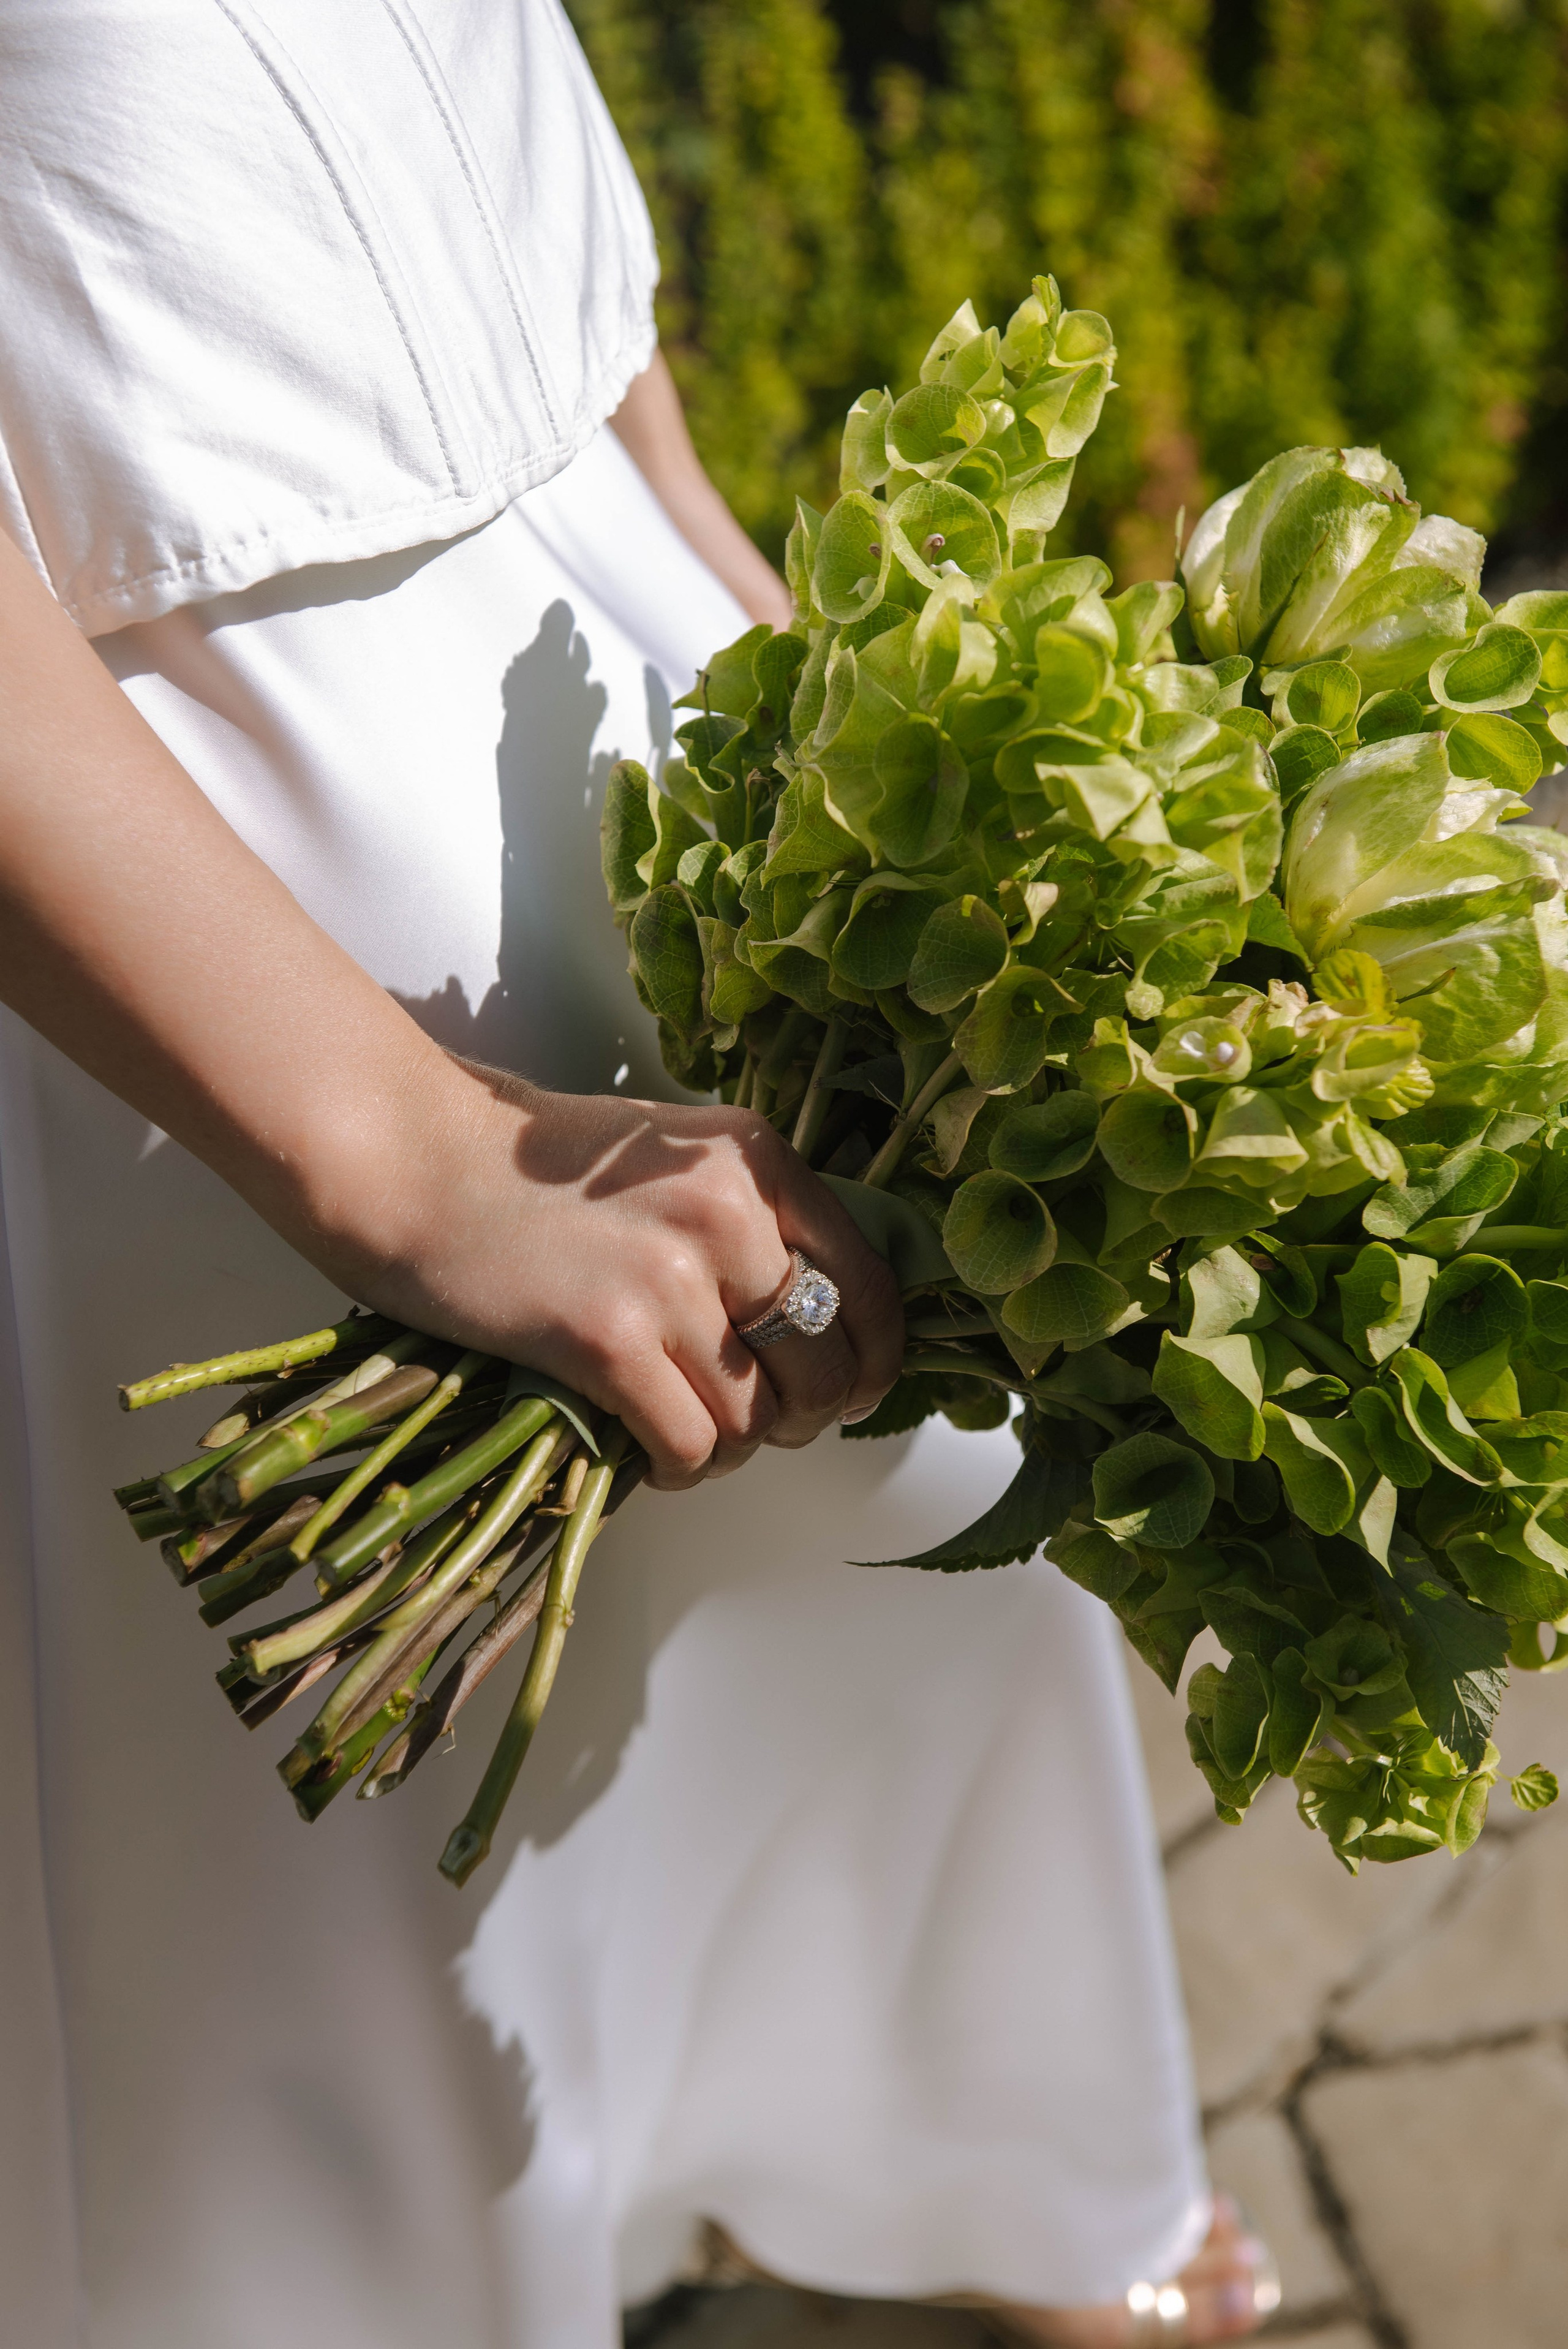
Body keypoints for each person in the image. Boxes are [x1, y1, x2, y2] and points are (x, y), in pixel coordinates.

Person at [0, 5, 1271, 2343]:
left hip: (646, 736)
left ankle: (957, 2151)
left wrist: (745, 621)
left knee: (910, 1528)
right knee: (385, 1865)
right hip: (193, 981)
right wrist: (409, 1142)